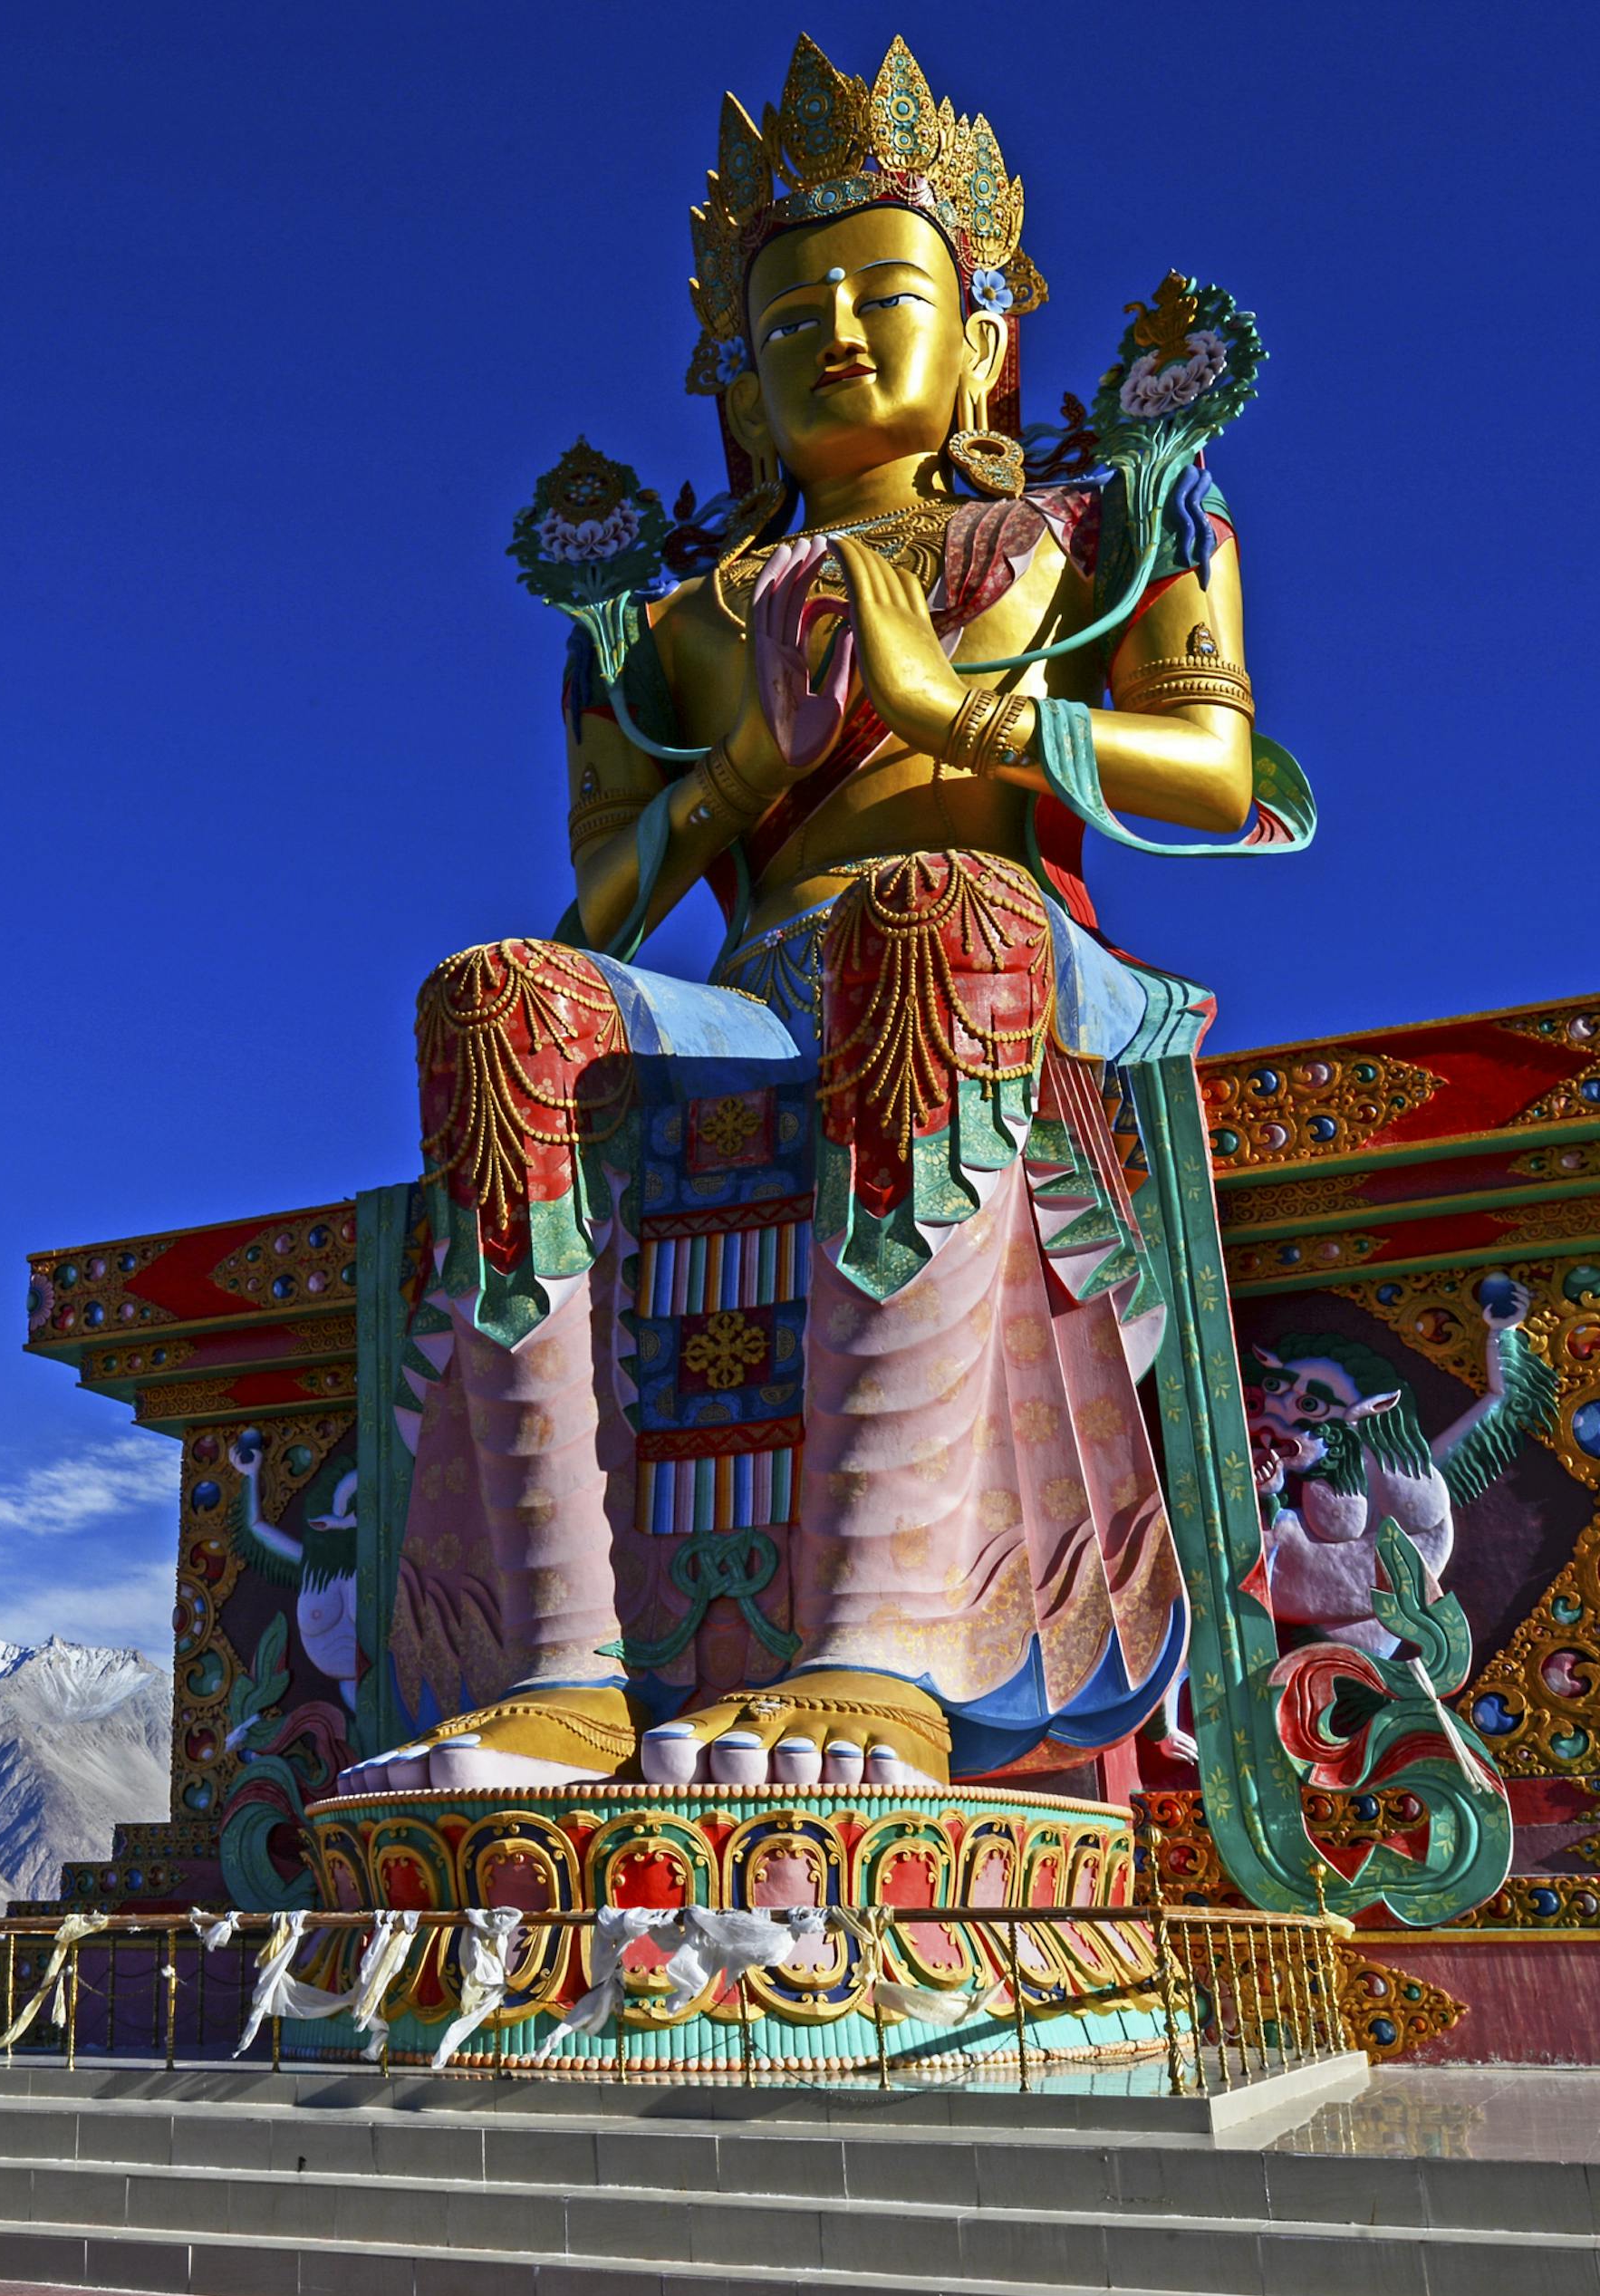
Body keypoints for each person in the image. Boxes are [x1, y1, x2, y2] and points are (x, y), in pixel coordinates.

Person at [351, 35, 1287, 1798]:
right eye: (795, 318)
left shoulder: (1102, 524)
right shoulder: (671, 622)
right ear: (738, 384)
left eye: (886, 295)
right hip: (764, 982)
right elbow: (607, 901)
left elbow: (1217, 775)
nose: (841, 335)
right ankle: (567, 1667)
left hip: (992, 942)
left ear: (988, 338)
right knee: (493, 996)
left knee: (922, 917)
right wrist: (740, 775)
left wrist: (959, 717)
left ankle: (879, 1649)